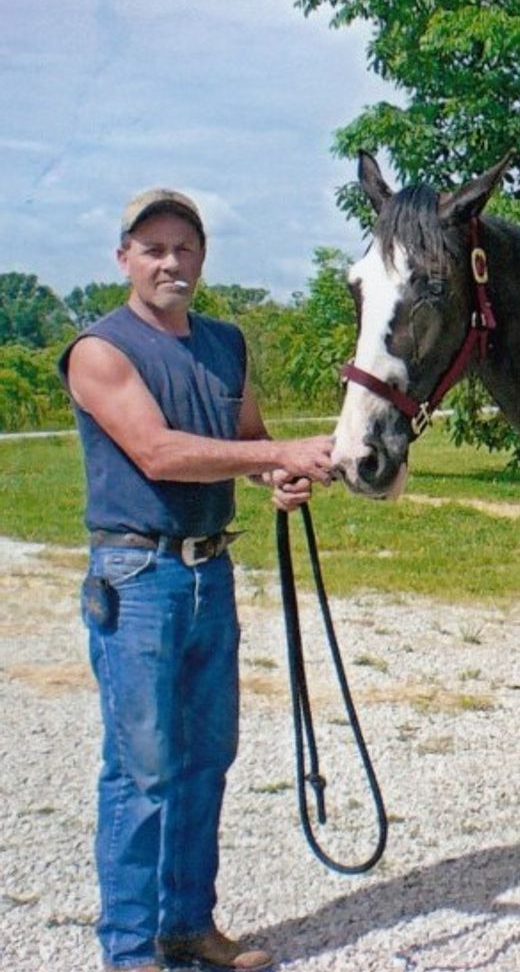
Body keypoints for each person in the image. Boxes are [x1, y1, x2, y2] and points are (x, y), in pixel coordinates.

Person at [58, 188, 335, 972]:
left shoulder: (226, 344)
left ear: (202, 259)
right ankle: (130, 950)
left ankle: (188, 924)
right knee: (141, 768)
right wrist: (276, 455)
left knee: (206, 758)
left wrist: (278, 471)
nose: (170, 261)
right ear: (125, 260)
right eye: (153, 248)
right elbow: (159, 453)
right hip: (135, 576)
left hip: (210, 572)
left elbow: (248, 440)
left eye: (184, 246)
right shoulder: (99, 350)